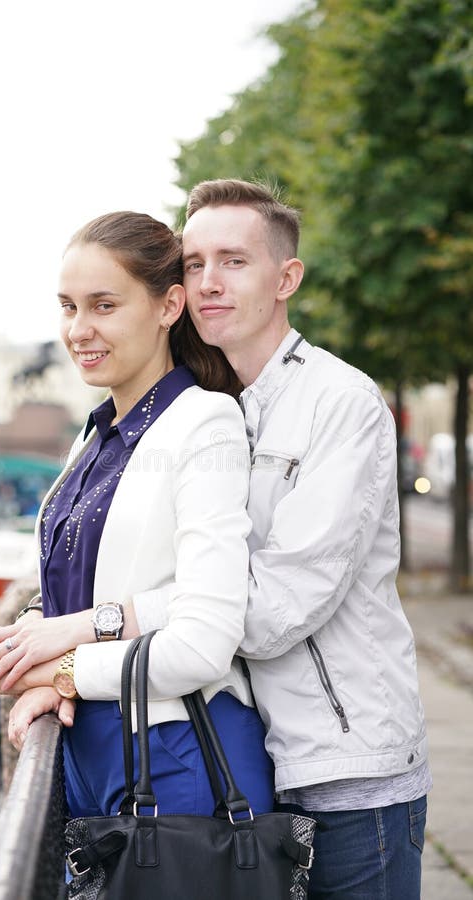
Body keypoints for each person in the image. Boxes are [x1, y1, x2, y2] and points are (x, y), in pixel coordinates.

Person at [0, 210, 275, 832]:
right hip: (98, 756)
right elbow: (76, 584)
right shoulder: (95, 431)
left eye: (104, 305)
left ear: (168, 307)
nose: (79, 329)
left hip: (176, 759)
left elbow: (205, 641)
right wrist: (34, 635)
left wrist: (67, 670)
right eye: (68, 306)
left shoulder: (205, 424)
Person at [160, 178, 428, 900]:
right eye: (193, 263)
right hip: (253, 765)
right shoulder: (207, 409)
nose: (208, 281)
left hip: (349, 772)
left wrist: (128, 626)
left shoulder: (340, 401)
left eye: (233, 261)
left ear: (287, 278)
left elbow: (280, 608)